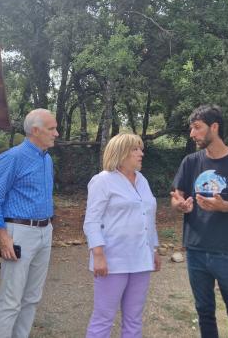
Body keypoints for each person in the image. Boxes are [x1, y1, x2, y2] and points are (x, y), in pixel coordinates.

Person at [170, 104, 228, 338]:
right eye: (191, 129)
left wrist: (226, 206)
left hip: (226, 250)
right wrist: (180, 204)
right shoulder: (190, 162)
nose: (192, 134)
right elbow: (177, 196)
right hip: (195, 249)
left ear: (214, 127)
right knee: (204, 312)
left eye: (197, 128)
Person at [0, 108, 58, 338]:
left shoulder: (47, 160)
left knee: (32, 298)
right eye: (52, 128)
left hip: (45, 231)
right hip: (19, 233)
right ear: (35, 130)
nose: (57, 133)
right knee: (11, 299)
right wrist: (3, 236)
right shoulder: (12, 158)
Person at [83, 133, 161, 338]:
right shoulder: (103, 181)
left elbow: (149, 217)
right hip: (112, 260)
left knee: (134, 318)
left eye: (140, 149)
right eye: (135, 149)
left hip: (141, 259)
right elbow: (92, 221)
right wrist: (98, 255)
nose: (141, 153)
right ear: (121, 152)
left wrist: (154, 249)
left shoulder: (142, 180)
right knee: (103, 318)